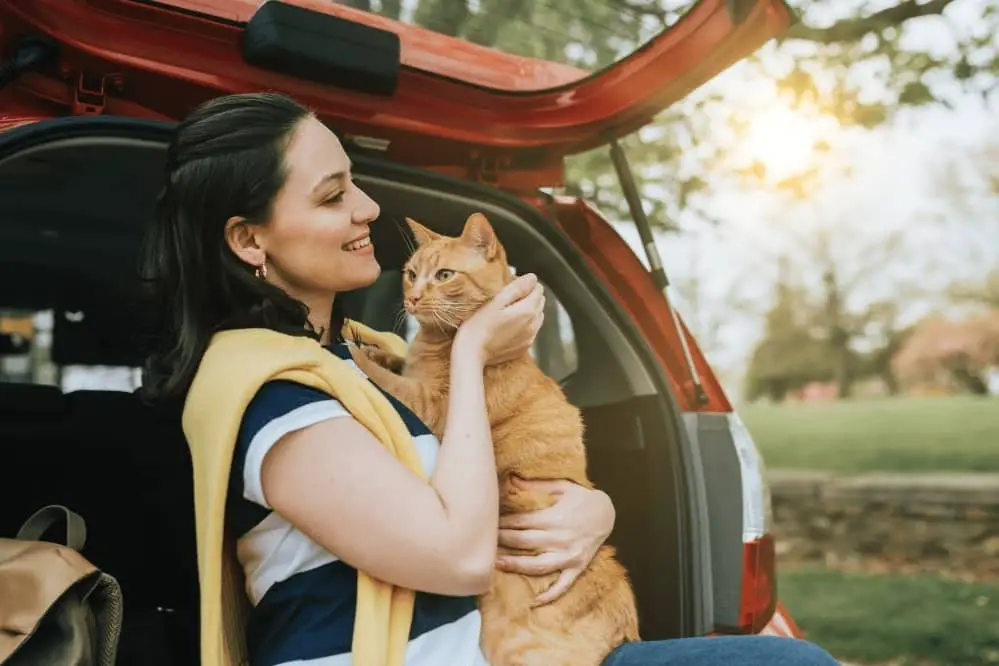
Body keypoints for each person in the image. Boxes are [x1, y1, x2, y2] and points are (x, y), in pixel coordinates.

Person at [141, 92, 838, 666]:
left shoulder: (364, 359)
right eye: (332, 196)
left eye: (354, 182)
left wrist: (595, 512)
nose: (368, 209)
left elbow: (487, 473)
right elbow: (460, 556)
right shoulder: (269, 391)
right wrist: (471, 350)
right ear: (248, 240)